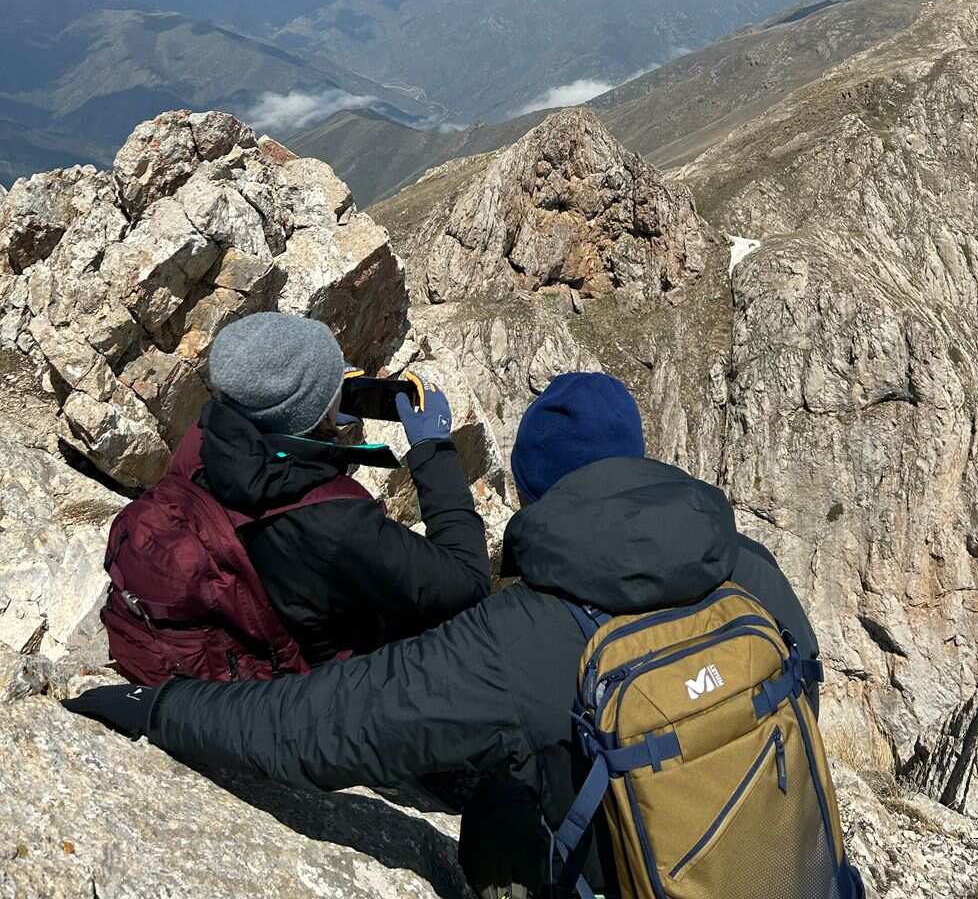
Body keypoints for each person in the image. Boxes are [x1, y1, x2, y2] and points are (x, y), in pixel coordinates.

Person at [69, 372, 823, 897]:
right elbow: (803, 682)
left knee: (498, 808)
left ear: (529, 491)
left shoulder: (519, 638)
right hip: (797, 868)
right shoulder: (749, 566)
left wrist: (161, 708)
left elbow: (324, 725)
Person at [104, 312, 490, 672]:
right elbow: (467, 583)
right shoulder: (336, 521)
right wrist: (433, 451)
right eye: (332, 387)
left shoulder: (206, 434)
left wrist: (318, 422)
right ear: (313, 412)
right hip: (319, 672)